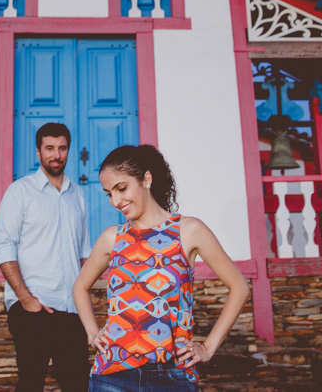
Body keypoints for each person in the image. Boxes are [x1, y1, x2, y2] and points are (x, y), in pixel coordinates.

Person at [72, 145, 249, 392]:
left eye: (121, 188)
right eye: (108, 193)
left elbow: (239, 287)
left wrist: (208, 347)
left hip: (172, 375)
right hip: (112, 375)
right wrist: (93, 334)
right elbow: (80, 286)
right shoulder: (112, 238)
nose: (116, 201)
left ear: (146, 179)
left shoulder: (188, 231)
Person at [0, 122, 92, 392]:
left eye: (62, 148)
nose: (56, 155)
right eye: (49, 148)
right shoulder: (20, 191)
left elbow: (84, 252)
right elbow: (3, 246)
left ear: (68, 150)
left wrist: (85, 300)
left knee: (77, 385)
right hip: (32, 307)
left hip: (71, 308)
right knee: (31, 383)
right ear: (38, 152)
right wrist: (26, 298)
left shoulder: (77, 195)